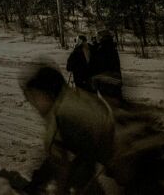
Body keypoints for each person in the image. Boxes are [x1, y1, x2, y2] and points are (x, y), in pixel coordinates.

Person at [22, 65, 114, 194]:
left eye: (35, 97)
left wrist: (60, 189)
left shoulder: (62, 114)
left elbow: (63, 162)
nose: (33, 104)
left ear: (48, 93)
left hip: (126, 163)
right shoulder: (71, 99)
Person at [89, 30, 123, 103]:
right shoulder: (112, 47)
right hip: (115, 75)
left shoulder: (103, 49)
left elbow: (97, 62)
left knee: (106, 100)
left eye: (99, 37)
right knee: (116, 97)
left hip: (105, 77)